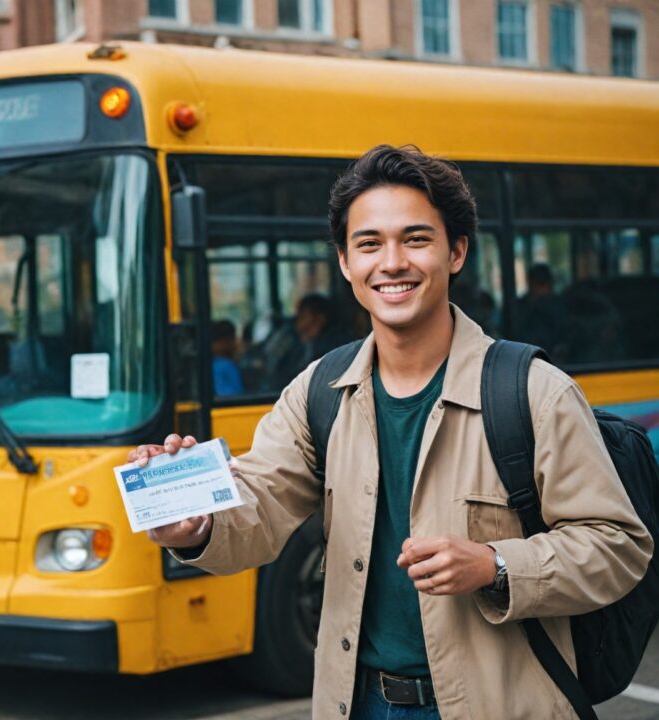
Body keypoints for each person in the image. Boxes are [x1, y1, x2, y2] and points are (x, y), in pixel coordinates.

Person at [129, 145, 652, 719]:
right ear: (345, 262)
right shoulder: (319, 390)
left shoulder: (534, 391)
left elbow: (619, 545)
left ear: (456, 252)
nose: (392, 262)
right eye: (369, 243)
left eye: (416, 239)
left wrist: (495, 564)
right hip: (357, 704)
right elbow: (261, 500)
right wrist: (195, 524)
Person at [211, 319, 245, 396]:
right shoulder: (225, 365)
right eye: (232, 339)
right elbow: (234, 396)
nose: (235, 343)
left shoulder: (213, 364)